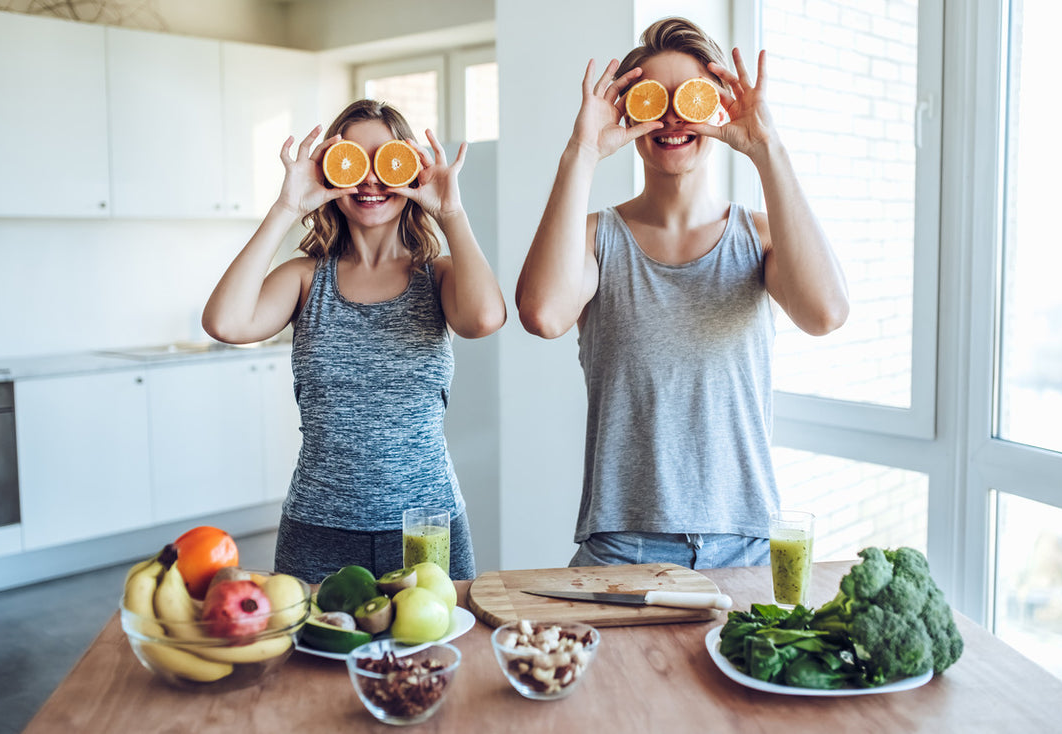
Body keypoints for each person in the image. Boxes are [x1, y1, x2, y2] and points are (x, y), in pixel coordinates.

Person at [515, 17, 848, 569]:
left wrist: (768, 149)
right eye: (652, 99)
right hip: (620, 549)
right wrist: (583, 150)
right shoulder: (597, 240)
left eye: (688, 98)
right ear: (628, 114)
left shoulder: (760, 237)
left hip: (748, 545)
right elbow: (543, 314)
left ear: (717, 108)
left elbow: (826, 313)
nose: (670, 115)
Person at [203, 99, 506, 582]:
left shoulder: (439, 275)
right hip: (317, 528)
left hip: (424, 527)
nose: (368, 178)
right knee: (312, 659)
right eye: (351, 162)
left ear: (411, 169)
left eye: (385, 161)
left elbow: (485, 318)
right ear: (328, 172)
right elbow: (225, 322)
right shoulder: (304, 279)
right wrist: (286, 207)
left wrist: (451, 212)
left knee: (435, 657)